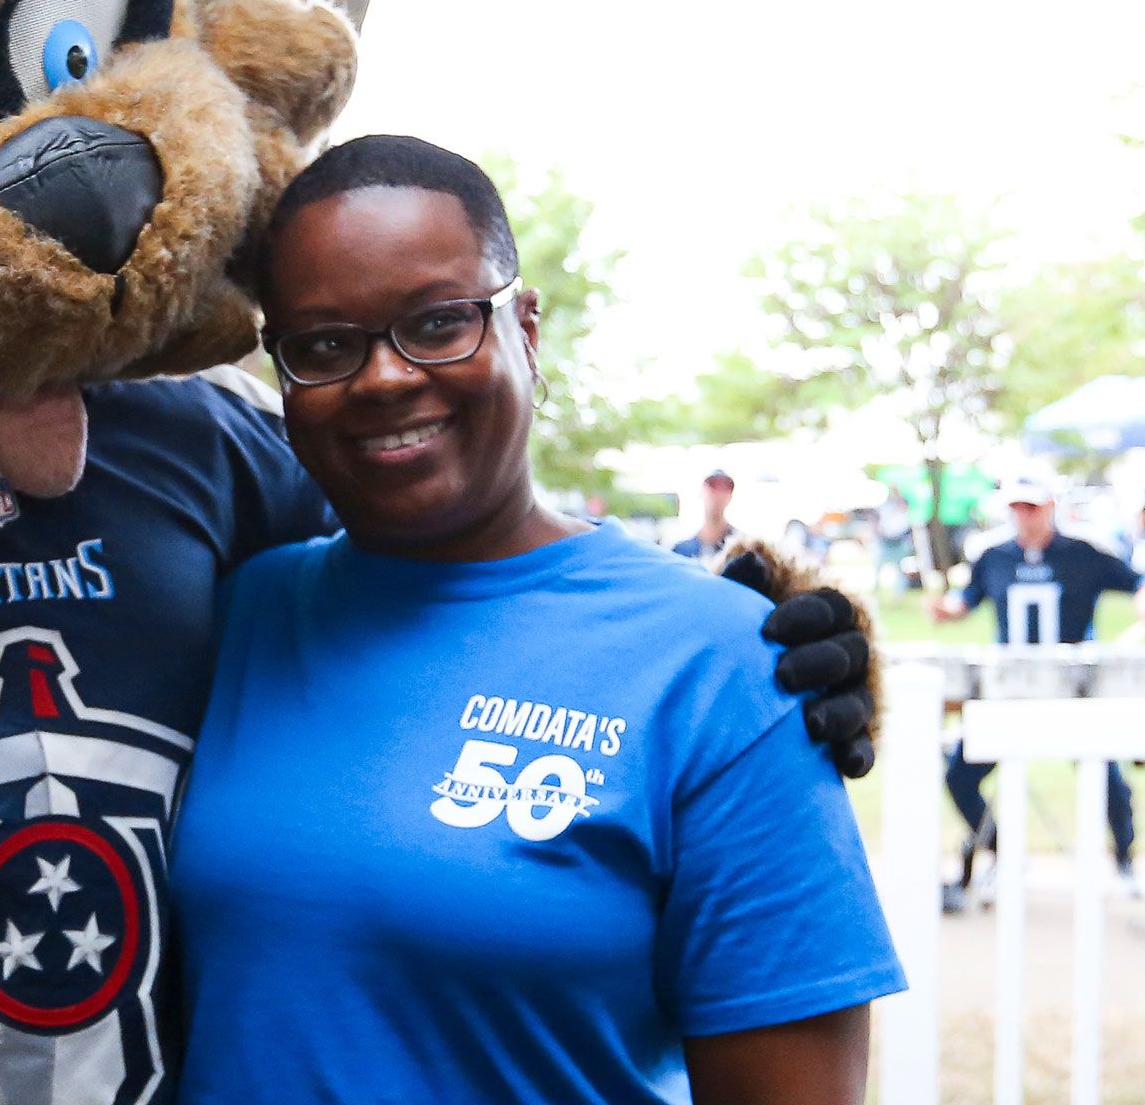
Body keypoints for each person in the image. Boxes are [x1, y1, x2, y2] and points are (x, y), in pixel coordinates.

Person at [173, 136, 900, 1105]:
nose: (384, 377)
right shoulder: (236, 613)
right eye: (322, 344)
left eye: (438, 323)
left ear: (525, 327)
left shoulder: (723, 664)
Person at [930, 476, 1145, 905]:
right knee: (960, 776)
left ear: (1050, 506)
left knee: (1107, 781)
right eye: (1016, 508)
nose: (1024, 516)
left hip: (1069, 691)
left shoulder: (1082, 553)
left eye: (1031, 507)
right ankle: (1001, 853)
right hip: (1009, 690)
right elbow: (966, 601)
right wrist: (946, 610)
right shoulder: (993, 557)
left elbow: (1138, 582)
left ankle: (1126, 862)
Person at [672, 467, 742, 568]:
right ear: (701, 491)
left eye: (724, 489)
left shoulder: (740, 550)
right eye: (712, 486)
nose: (718, 494)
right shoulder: (681, 551)